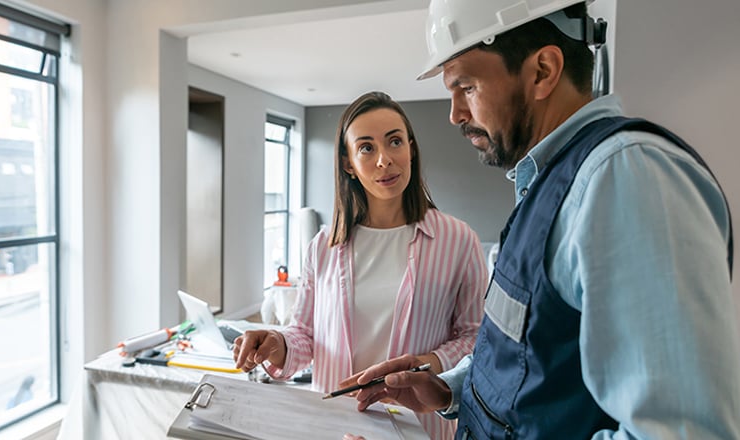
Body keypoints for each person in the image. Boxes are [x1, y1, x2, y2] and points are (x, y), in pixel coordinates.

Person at [344, 0, 740, 439]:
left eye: (467, 87)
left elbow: (679, 432)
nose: (455, 113)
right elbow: (530, 354)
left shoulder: (626, 179)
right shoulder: (552, 185)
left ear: (543, 71)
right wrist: (449, 390)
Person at [233, 91, 489, 439]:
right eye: (366, 147)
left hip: (419, 429)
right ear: (348, 163)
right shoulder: (323, 246)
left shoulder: (459, 240)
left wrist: (425, 365)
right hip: (334, 428)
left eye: (395, 141)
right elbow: (305, 334)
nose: (385, 160)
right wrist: (277, 343)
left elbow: (475, 337)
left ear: (411, 148)